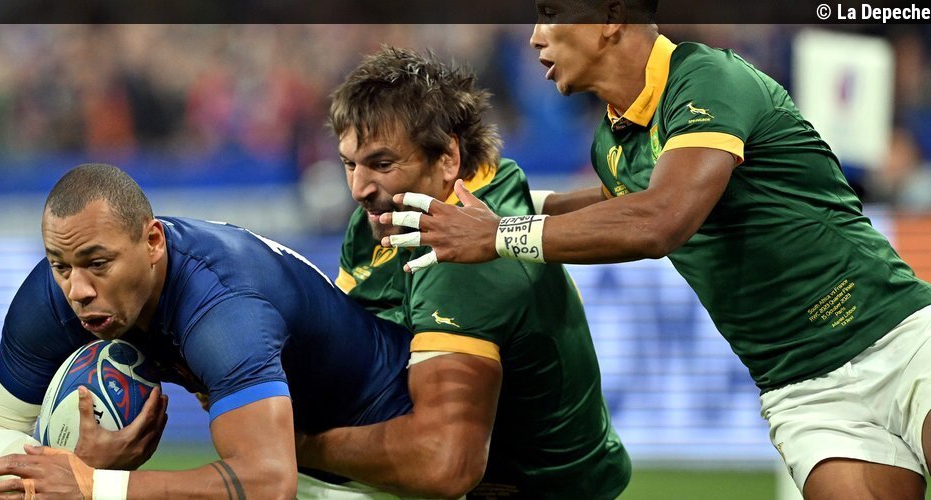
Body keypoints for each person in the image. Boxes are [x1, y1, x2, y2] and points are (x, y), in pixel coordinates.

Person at [381, 3, 931, 498]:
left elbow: (660, 219)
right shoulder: (612, 142)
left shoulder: (706, 79)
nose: (535, 37)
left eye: (550, 13)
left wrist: (500, 233)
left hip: (899, 338)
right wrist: (490, 205)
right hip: (803, 390)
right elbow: (616, 205)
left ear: (611, 18)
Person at [295, 47, 631, 499]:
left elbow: (443, 466)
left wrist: (290, 444)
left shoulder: (465, 264)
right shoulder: (402, 210)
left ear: (448, 158)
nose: (358, 189)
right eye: (349, 164)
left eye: (382, 164)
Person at [0, 163, 420, 499]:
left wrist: (94, 484)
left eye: (98, 263)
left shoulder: (222, 310)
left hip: (388, 445)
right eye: (60, 266)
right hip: (295, 460)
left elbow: (268, 483)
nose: (78, 290)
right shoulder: (54, 297)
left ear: (153, 242)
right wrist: (55, 470)